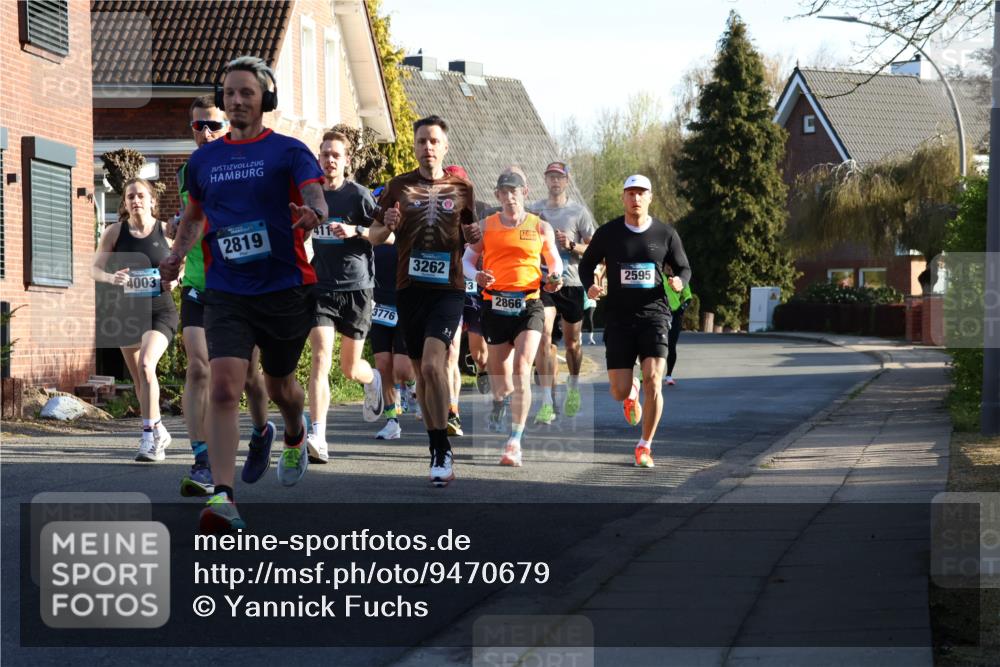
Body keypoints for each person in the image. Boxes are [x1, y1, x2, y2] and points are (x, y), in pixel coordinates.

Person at [160, 55, 328, 532]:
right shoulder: (204, 161)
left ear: (264, 100)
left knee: (279, 386)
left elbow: (314, 195)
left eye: (246, 93)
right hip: (227, 289)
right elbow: (194, 217)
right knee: (224, 385)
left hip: (285, 287)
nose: (236, 101)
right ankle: (223, 496)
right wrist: (176, 255)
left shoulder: (289, 151)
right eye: (229, 93)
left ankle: (294, 432)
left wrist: (313, 213)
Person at [368, 115, 481, 487]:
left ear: (444, 146)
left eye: (433, 141)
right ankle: (436, 446)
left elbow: (471, 235)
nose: (427, 147)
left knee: (435, 365)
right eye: (421, 141)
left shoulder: (462, 188)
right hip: (409, 289)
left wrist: (473, 234)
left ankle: (442, 447)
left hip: (448, 290)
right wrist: (388, 223)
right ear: (415, 146)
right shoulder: (398, 187)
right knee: (420, 374)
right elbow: (374, 235)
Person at [174, 95, 274, 497]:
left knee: (249, 376)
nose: (207, 133)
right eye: (199, 126)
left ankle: (262, 430)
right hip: (200, 283)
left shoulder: (247, 168)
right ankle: (202, 459)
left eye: (213, 125)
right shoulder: (188, 171)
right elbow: (188, 221)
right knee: (199, 368)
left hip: (240, 287)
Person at [579, 174, 691, 469]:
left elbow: (684, 266)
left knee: (655, 378)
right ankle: (630, 392)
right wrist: (590, 285)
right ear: (623, 198)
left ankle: (644, 446)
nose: (636, 198)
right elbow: (586, 263)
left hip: (655, 313)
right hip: (618, 317)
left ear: (650, 197)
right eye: (630, 193)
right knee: (617, 390)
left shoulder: (665, 233)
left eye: (641, 193)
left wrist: (679, 280)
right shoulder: (609, 233)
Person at [463, 169, 563, 466]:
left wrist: (555, 275)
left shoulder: (540, 226)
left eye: (514, 191)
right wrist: (476, 274)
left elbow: (554, 259)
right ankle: (498, 401)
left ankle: (514, 441)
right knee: (500, 382)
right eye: (504, 192)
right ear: (497, 195)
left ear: (525, 192)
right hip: (494, 305)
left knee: (522, 368)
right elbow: (467, 260)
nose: (510, 197)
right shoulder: (486, 226)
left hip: (529, 303)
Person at [305, 130, 384, 463]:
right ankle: (318, 435)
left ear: (346, 160)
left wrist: (358, 231)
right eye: (324, 154)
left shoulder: (359, 195)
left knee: (351, 368)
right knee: (320, 356)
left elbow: (387, 236)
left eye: (336, 154)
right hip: (321, 286)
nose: (329, 159)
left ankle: (373, 379)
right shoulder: (313, 196)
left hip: (357, 288)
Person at [92, 177, 178, 462]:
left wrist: (175, 281)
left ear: (152, 200)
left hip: (160, 311)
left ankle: (147, 438)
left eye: (141, 195)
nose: (135, 200)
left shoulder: (167, 231)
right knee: (141, 381)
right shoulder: (114, 232)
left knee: (146, 364)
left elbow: (186, 264)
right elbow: (95, 270)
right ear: (125, 203)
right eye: (130, 197)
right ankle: (159, 429)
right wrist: (111, 277)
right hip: (127, 313)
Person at [529, 161, 595, 424]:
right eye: (551, 177)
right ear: (545, 180)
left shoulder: (578, 212)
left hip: (572, 283)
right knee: (544, 338)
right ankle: (547, 400)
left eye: (560, 177)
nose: (555, 181)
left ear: (567, 181)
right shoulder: (534, 210)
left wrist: (570, 245)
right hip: (544, 283)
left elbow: (593, 249)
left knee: (572, 344)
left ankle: (574, 386)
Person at [368, 206, 417, 440]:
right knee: (383, 364)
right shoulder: (373, 235)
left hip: (406, 304)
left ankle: (414, 385)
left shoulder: (411, 234)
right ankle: (392, 421)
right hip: (380, 306)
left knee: (403, 369)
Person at [665, 277, 693, 386]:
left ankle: (669, 375)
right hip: (660, 314)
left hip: (675, 315)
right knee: (652, 345)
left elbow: (688, 297)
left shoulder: (680, 278)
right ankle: (643, 374)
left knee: (671, 345)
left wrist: (681, 309)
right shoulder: (659, 275)